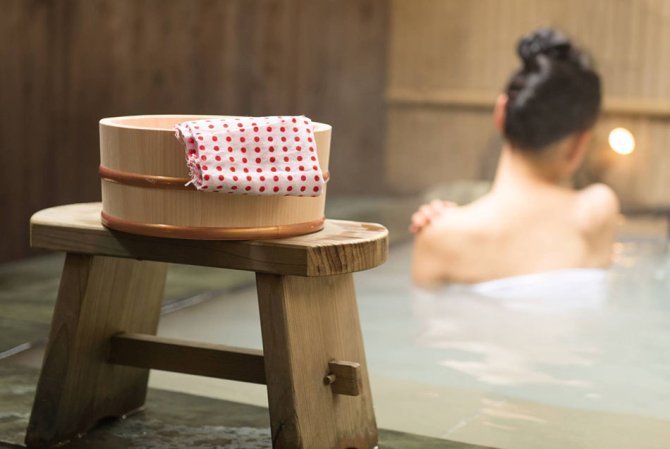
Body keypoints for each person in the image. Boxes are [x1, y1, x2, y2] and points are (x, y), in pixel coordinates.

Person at [411, 28, 619, 286]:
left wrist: (446, 223)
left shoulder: (444, 237)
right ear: (579, 144)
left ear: (501, 113)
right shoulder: (597, 212)